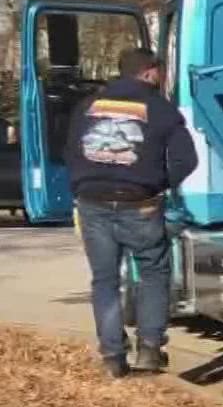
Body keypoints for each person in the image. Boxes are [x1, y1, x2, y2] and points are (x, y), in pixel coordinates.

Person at [63, 47, 198, 378]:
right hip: (140, 203)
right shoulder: (159, 108)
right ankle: (150, 350)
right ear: (150, 72)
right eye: (160, 73)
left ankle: (112, 357)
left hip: (92, 201)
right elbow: (186, 160)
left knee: (105, 280)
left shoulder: (87, 106)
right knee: (153, 272)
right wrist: (157, 184)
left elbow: (68, 151)